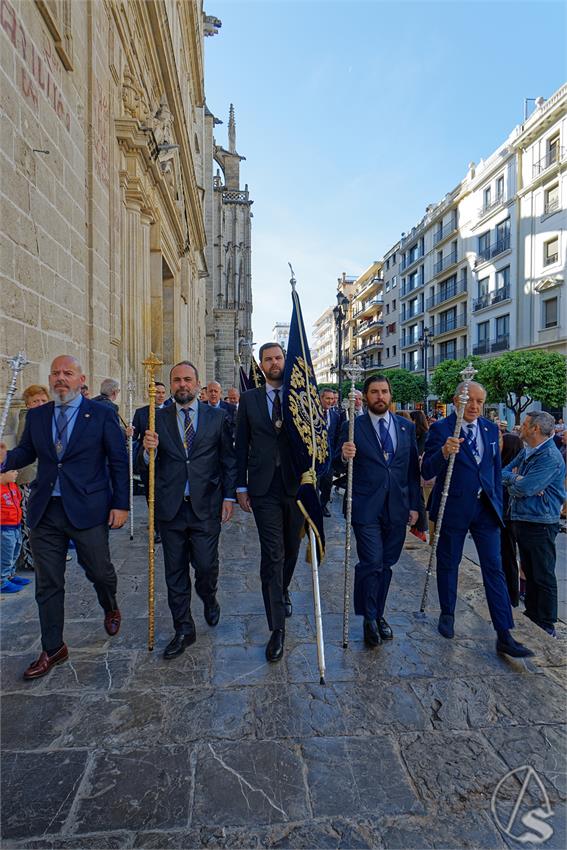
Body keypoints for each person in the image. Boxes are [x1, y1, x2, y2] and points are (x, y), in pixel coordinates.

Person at [0, 355, 129, 679]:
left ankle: (109, 604)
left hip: (88, 508)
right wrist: (5, 457)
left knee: (100, 571)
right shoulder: (38, 415)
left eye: (67, 373)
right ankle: (53, 647)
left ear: (80, 379)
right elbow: (26, 452)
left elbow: (117, 460)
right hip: (47, 511)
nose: (60, 378)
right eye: (55, 372)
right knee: (47, 582)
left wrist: (121, 504)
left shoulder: (101, 414)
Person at [421, 381, 533, 658]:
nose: (474, 406)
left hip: (485, 510)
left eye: (479, 401)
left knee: (494, 569)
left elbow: (494, 469)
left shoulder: (489, 429)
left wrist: (496, 499)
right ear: (455, 399)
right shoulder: (440, 429)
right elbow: (427, 468)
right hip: (454, 506)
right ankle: (447, 613)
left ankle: (504, 632)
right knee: (449, 563)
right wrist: (444, 452)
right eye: (468, 400)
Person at [141, 361, 237, 659]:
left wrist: (229, 497)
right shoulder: (157, 419)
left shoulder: (217, 417)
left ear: (198, 384)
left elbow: (228, 461)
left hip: (206, 506)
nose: (182, 385)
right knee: (175, 573)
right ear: (171, 385)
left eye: (187, 380)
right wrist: (147, 452)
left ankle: (209, 597)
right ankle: (184, 628)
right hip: (171, 509)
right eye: (177, 380)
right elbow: (145, 467)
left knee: (206, 567)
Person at [235, 342, 303, 662]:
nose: (274, 363)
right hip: (263, 489)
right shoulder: (248, 400)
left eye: (278, 358)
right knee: (272, 554)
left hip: (295, 487)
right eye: (268, 359)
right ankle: (277, 628)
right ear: (260, 365)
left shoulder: (300, 397)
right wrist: (240, 486)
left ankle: (283, 588)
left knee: (291, 550)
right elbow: (240, 446)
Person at [340, 375, 420, 647]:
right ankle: (369, 618)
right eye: (374, 392)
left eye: (384, 391)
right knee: (371, 562)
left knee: (386, 565)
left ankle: (379, 613)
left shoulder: (406, 428)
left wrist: (415, 507)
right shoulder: (353, 427)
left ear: (390, 394)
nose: (380, 397)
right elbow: (335, 467)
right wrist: (343, 454)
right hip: (365, 507)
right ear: (365, 396)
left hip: (397, 508)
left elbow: (411, 472)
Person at [502, 411, 566, 638]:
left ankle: (547, 622)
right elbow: (504, 473)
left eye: (525, 424)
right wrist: (517, 480)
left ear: (535, 429)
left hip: (540, 521)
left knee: (542, 573)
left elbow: (525, 488)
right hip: (523, 517)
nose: (520, 426)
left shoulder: (549, 456)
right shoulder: (529, 451)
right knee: (529, 569)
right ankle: (533, 615)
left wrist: (519, 483)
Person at [15, 384, 50, 571]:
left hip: (42, 478)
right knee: (31, 521)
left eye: (44, 400)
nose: (40, 404)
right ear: (28, 404)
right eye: (36, 401)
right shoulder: (28, 418)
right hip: (29, 477)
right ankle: (32, 560)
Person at [132, 382, 167, 543]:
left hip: (165, 461)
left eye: (162, 392)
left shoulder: (170, 412)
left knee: (163, 496)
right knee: (150, 496)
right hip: (147, 460)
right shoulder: (141, 413)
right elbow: (135, 437)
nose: (160, 395)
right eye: (157, 392)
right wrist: (129, 434)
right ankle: (157, 528)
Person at [500, 433, 524, 607]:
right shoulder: (517, 469)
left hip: (507, 518)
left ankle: (512, 595)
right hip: (513, 518)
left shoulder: (505, 471)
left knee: (508, 558)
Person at [1, 470, 31, 593]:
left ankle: (10, 575)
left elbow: (18, 502)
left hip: (16, 525)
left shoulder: (13, 486)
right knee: (5, 555)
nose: (16, 473)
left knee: (15, 552)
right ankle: (2, 581)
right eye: (12, 471)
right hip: (4, 527)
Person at [318, 388, 342, 517]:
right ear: (320, 398)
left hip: (329, 458)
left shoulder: (335, 416)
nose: (330, 401)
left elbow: (337, 436)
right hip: (314, 457)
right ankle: (314, 507)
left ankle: (323, 506)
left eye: (332, 399)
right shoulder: (313, 414)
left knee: (327, 484)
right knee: (314, 484)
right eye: (327, 398)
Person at [409, 409, 430, 542]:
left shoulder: (424, 435)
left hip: (422, 473)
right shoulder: (417, 435)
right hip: (417, 471)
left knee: (420, 499)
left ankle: (421, 528)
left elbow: (420, 452)